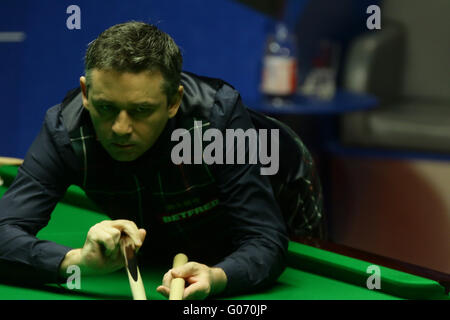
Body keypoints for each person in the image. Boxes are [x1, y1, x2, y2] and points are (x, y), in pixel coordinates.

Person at [0, 21, 325, 299]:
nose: (121, 128)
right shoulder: (64, 131)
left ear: (173, 101)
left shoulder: (216, 119)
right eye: (107, 107)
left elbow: (264, 240)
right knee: (159, 245)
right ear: (86, 93)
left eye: (141, 110)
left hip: (281, 181)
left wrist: (218, 277)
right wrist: (76, 261)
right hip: (169, 208)